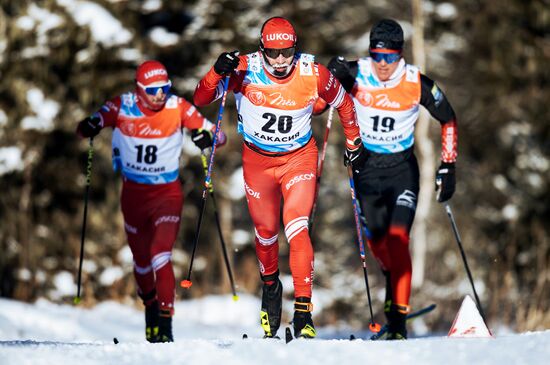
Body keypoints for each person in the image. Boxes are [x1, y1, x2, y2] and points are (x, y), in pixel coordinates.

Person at [194, 16, 364, 339]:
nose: (282, 60)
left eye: (287, 52)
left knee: (297, 227)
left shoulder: (313, 72)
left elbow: (343, 102)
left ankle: (303, 311)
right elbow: (201, 98)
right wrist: (217, 70)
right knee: (266, 233)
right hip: (257, 163)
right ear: (262, 50)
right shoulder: (244, 68)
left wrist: (355, 141)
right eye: (274, 53)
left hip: (298, 159)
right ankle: (270, 285)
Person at [76, 60, 226, 343]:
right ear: (140, 89)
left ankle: (166, 324)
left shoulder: (177, 107)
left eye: (164, 88)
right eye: (153, 89)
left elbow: (220, 134)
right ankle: (150, 307)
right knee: (142, 262)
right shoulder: (122, 105)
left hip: (167, 194)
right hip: (133, 196)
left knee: (161, 253)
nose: (160, 94)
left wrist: (204, 135)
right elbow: (86, 127)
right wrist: (90, 125)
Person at [327, 19, 458, 340]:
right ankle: (393, 278)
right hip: (365, 170)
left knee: (398, 239)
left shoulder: (416, 81)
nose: (383, 64)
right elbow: (321, 103)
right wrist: (331, 80)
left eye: (390, 57)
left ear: (400, 55)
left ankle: (397, 322)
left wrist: (448, 165)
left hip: (402, 171)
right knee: (378, 243)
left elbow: (448, 118)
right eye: (377, 56)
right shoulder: (356, 72)